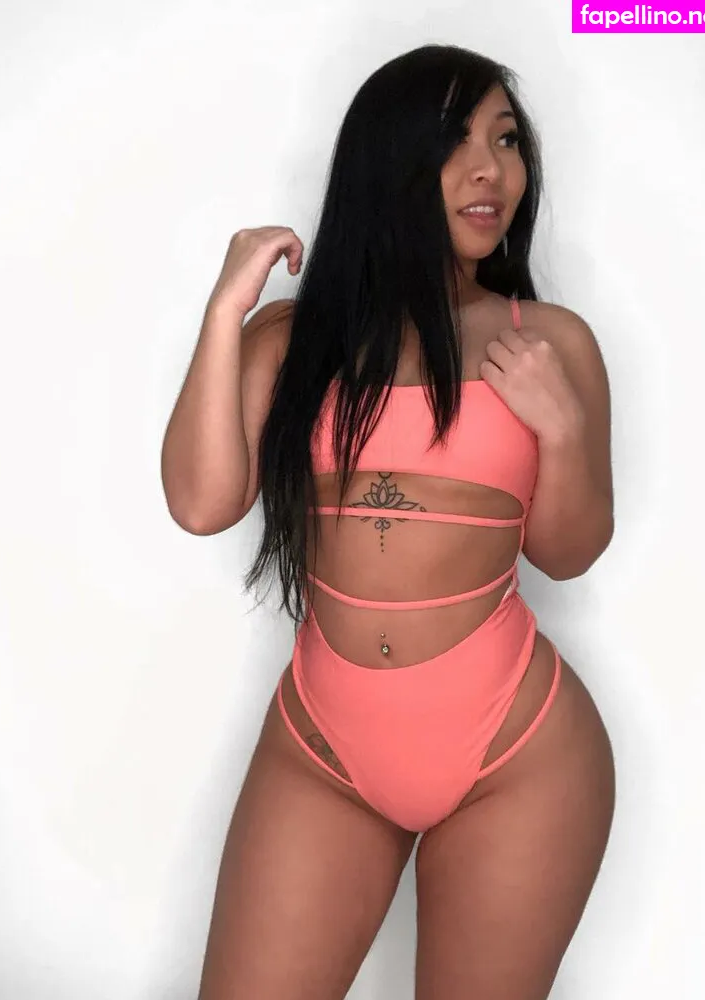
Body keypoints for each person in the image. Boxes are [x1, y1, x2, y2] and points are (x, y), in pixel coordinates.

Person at [161, 42, 616, 1000]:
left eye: (506, 141)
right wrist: (225, 312)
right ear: (390, 160)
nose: (491, 170)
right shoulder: (294, 339)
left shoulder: (549, 341)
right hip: (324, 750)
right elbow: (202, 504)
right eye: (457, 141)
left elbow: (568, 553)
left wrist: (564, 431)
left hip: (516, 755)